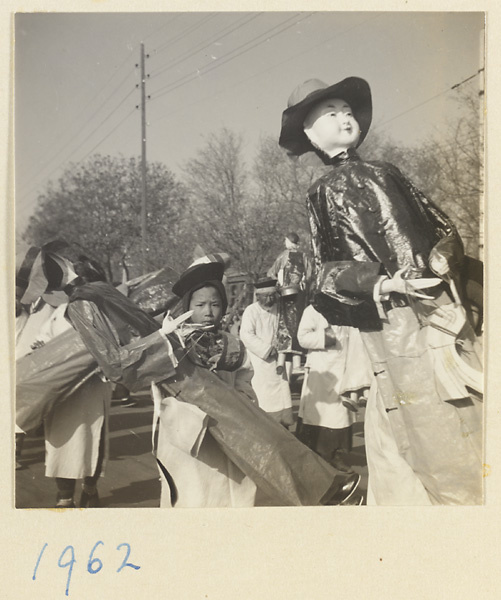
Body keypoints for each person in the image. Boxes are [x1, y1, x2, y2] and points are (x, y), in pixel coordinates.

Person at [278, 76, 483, 505]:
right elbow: (326, 272)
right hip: (392, 318)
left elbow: (439, 225)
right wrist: (384, 281)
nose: (344, 118)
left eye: (347, 111)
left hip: (437, 301)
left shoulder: (386, 172)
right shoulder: (324, 191)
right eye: (331, 113)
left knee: (453, 395)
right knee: (421, 408)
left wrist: (444, 260)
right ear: (312, 135)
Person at [35, 240, 362, 506]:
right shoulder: (165, 332)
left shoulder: (228, 340)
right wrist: (171, 343)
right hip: (188, 433)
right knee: (193, 499)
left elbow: (246, 375)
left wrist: (243, 400)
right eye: (201, 304)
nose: (208, 311)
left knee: (232, 495)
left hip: (235, 433)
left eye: (215, 304)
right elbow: (133, 369)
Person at [296, 303, 372, 473]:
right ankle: (317, 455)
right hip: (320, 370)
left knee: (339, 415)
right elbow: (302, 337)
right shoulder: (313, 309)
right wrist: (324, 338)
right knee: (319, 415)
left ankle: (335, 454)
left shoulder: (347, 307)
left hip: (343, 369)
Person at [239, 278, 294, 428]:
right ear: (258, 297)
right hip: (260, 361)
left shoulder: (279, 309)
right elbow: (246, 335)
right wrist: (267, 350)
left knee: (282, 393)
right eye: (266, 296)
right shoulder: (251, 311)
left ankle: (283, 426)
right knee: (264, 397)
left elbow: (284, 330)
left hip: (278, 361)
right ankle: (268, 427)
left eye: (272, 296)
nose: (269, 299)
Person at [267, 232, 312, 376]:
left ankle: (280, 362)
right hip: (299, 295)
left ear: (289, 242)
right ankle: (297, 364)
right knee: (297, 326)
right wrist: (303, 283)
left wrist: (279, 285)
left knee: (283, 325)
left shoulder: (283, 256)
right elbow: (310, 274)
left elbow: (271, 272)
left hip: (285, 295)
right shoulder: (304, 257)